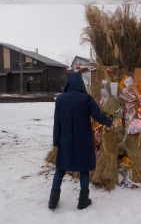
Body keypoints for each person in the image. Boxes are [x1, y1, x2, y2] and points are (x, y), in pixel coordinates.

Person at [48, 72, 113, 210]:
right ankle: (83, 200)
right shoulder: (86, 98)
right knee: (84, 170)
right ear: (80, 83)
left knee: (60, 169)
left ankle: (53, 200)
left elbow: (57, 123)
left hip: (64, 139)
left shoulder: (60, 99)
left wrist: (56, 142)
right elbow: (97, 115)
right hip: (83, 139)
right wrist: (109, 122)